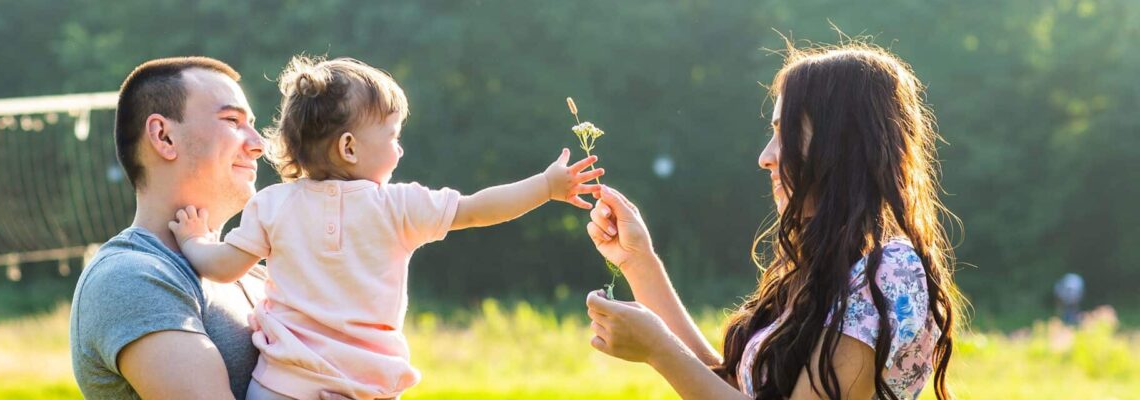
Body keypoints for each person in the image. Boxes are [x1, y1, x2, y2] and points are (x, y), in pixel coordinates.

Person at [167, 56, 602, 400]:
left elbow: (223, 266)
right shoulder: (399, 206)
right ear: (349, 147)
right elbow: (478, 209)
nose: (399, 148)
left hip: (281, 384)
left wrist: (192, 239)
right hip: (366, 388)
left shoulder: (273, 204)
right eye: (392, 136)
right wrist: (545, 187)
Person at [582, 42, 966, 400]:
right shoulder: (824, 267)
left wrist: (659, 351)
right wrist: (638, 262)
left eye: (787, 133)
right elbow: (730, 386)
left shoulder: (889, 271)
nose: (765, 157)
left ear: (843, 145)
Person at [69, 56, 270, 399]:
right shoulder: (130, 277)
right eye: (232, 120)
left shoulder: (257, 278)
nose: (258, 144)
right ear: (163, 136)